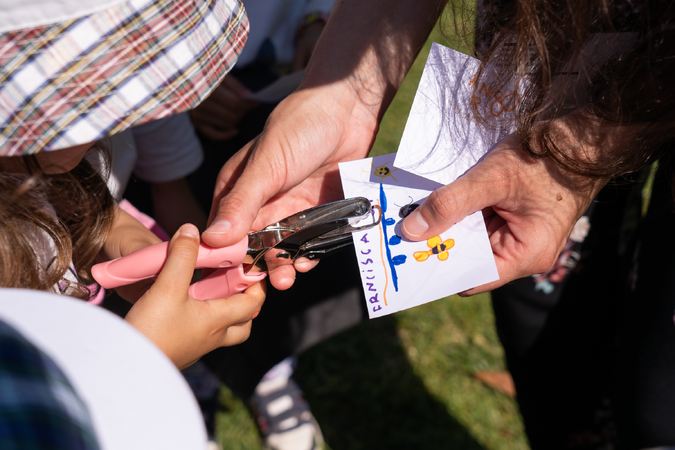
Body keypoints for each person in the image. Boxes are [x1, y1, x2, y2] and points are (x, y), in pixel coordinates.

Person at [199, 0, 675, 446]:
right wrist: (345, 95)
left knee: (659, 403)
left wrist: (570, 157)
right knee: (550, 343)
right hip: (539, 68)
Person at [0, 0, 265, 370]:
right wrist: (144, 357)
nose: (117, 119)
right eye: (91, 102)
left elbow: (66, 213)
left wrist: (118, 234)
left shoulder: (31, 168)